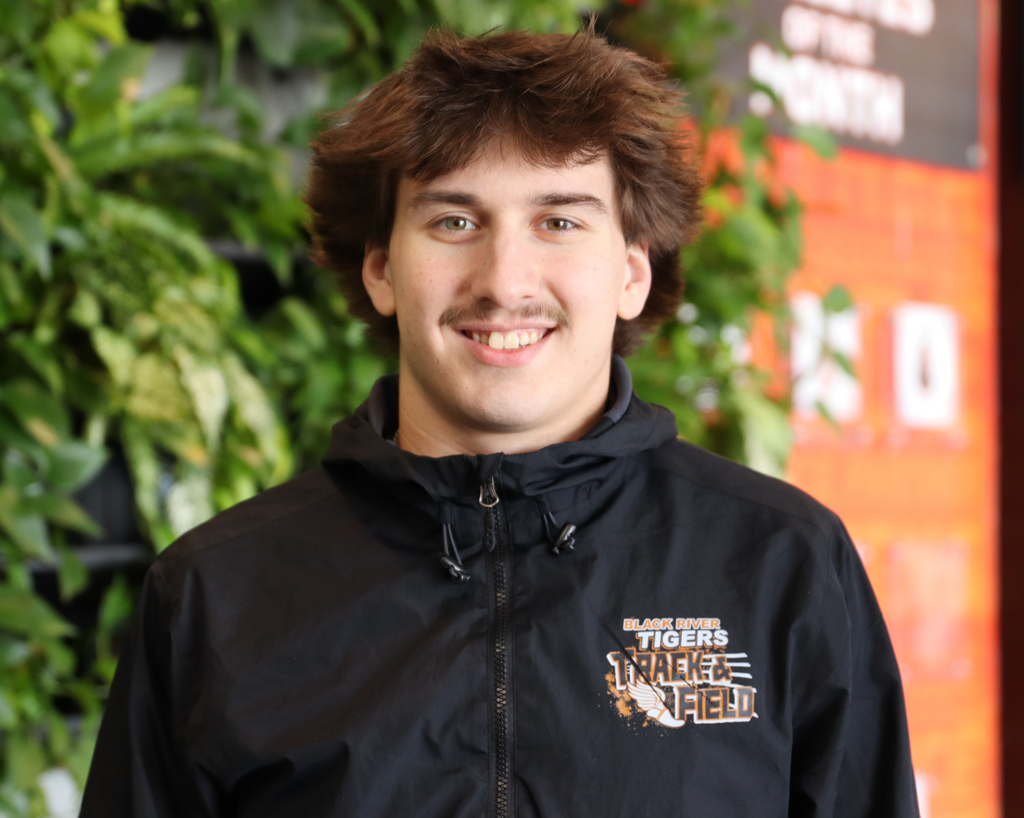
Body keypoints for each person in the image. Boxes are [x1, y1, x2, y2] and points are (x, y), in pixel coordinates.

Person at [80, 27, 920, 818]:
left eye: (559, 221)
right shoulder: (216, 594)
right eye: (454, 222)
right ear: (381, 270)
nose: (504, 280)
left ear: (632, 274)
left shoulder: (780, 564)